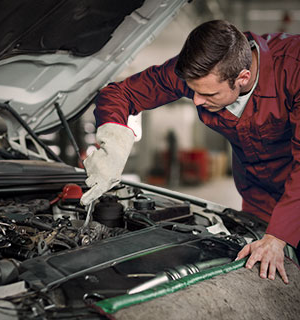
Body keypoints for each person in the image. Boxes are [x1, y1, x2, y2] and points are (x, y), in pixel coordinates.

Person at [80, 20, 300, 283]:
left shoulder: (293, 69)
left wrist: (278, 236)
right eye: (193, 91)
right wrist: (114, 142)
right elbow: (120, 93)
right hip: (258, 198)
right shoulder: (199, 73)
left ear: (242, 77)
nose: (196, 101)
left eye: (208, 94)